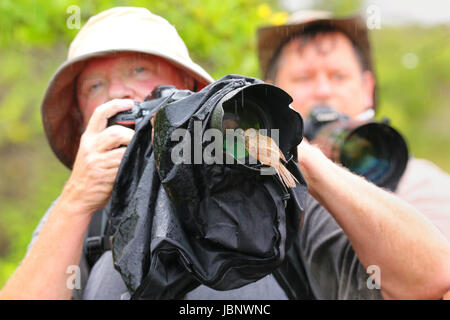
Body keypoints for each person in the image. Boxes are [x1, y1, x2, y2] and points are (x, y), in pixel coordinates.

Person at [1, 7, 449, 300]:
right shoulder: (81, 215)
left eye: (139, 71)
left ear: (191, 92)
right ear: (83, 120)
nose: (119, 93)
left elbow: (429, 278)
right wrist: (77, 201)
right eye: (95, 86)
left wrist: (295, 152)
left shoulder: (271, 187)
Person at [257, 10, 450, 298]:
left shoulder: (416, 179)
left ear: (367, 89)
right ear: (271, 91)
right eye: (303, 77)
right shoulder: (255, 182)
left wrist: (311, 163)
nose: (323, 91)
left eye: (338, 76)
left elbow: (438, 279)